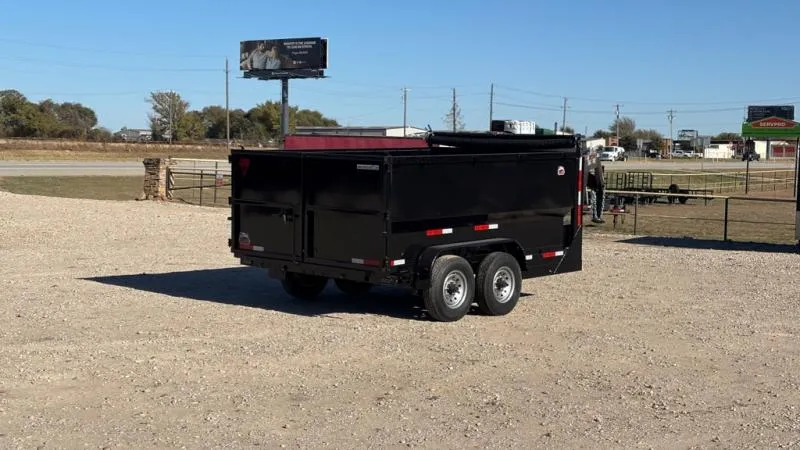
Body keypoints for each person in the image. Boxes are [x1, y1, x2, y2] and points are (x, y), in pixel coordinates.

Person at [586, 147, 606, 224]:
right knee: (594, 201)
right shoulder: (593, 161)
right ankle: (596, 216)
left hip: (597, 185)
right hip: (595, 185)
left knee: (598, 201)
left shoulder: (595, 161)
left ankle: (598, 216)